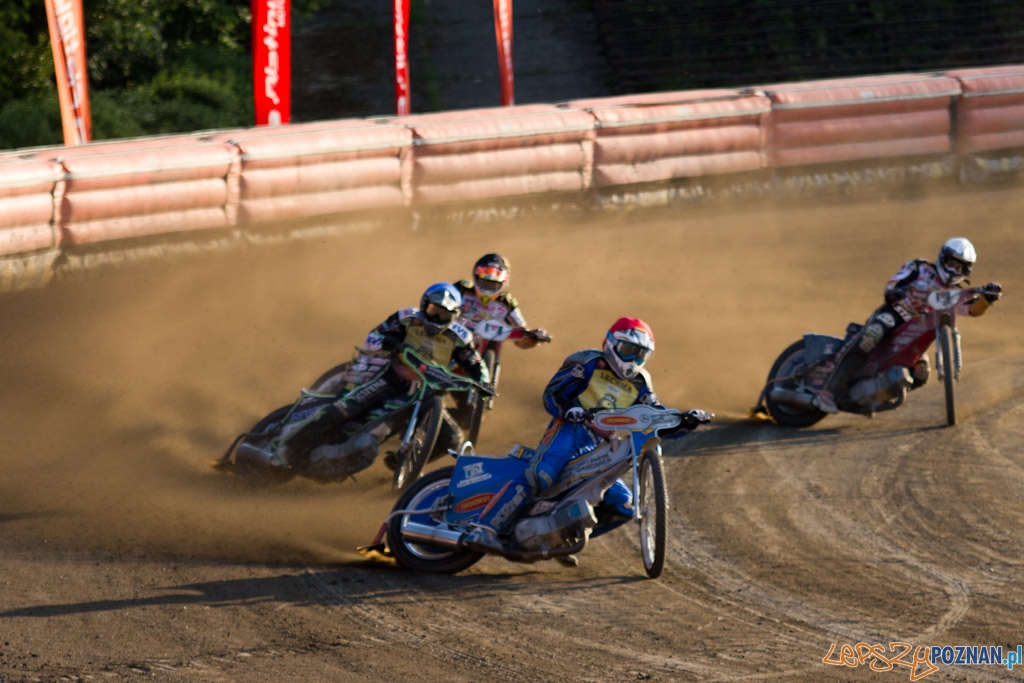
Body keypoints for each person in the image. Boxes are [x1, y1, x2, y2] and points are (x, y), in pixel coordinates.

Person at [463, 317, 712, 562]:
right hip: (570, 430)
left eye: (640, 355)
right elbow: (552, 394)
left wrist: (685, 420)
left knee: (624, 507)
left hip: (603, 446)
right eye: (628, 351)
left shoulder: (641, 382)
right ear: (611, 343)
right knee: (541, 476)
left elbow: (653, 416)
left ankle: (560, 538)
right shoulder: (586, 362)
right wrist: (570, 410)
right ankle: (483, 528)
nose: (633, 361)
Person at [258, 282, 489, 467]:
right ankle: (288, 450)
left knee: (452, 439)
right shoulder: (405, 318)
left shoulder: (460, 338)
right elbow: (373, 337)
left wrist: (483, 382)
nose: (436, 319)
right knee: (344, 410)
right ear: (423, 305)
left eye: (444, 315)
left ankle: (401, 462)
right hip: (391, 379)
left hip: (427, 393)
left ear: (455, 316)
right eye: (433, 311)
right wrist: (388, 342)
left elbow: (475, 362)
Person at [813, 237, 1003, 414]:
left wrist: (987, 299)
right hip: (895, 314)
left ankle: (869, 397)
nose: (954, 270)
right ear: (942, 259)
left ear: (966, 271)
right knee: (868, 339)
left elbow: (970, 310)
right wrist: (894, 292)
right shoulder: (920, 268)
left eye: (960, 267)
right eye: (951, 264)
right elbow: (893, 283)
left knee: (920, 374)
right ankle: (827, 392)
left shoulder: (955, 292)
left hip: (919, 329)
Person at [454, 253, 548, 349]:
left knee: (493, 343)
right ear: (476, 277)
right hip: (453, 338)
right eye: (485, 282)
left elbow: (522, 332)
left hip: (482, 347)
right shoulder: (462, 289)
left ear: (503, 282)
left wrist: (533, 336)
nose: (488, 288)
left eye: (493, 284)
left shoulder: (506, 303)